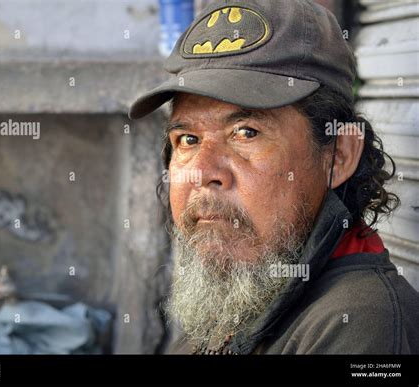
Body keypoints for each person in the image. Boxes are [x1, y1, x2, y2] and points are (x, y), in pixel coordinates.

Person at [129, 0, 419, 354]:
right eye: (188, 140)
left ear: (339, 155)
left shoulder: (359, 324)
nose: (202, 172)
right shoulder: (247, 293)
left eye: (246, 132)